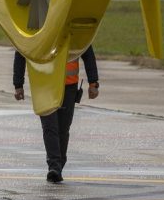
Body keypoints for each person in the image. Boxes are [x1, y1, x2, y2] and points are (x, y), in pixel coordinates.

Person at [13, 45, 99, 183]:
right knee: (49, 126)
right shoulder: (38, 25)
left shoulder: (72, 26)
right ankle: (54, 167)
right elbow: (22, 50)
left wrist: (93, 82)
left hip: (69, 86)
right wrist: (18, 84)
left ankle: (59, 164)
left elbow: (86, 50)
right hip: (44, 84)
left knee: (63, 129)